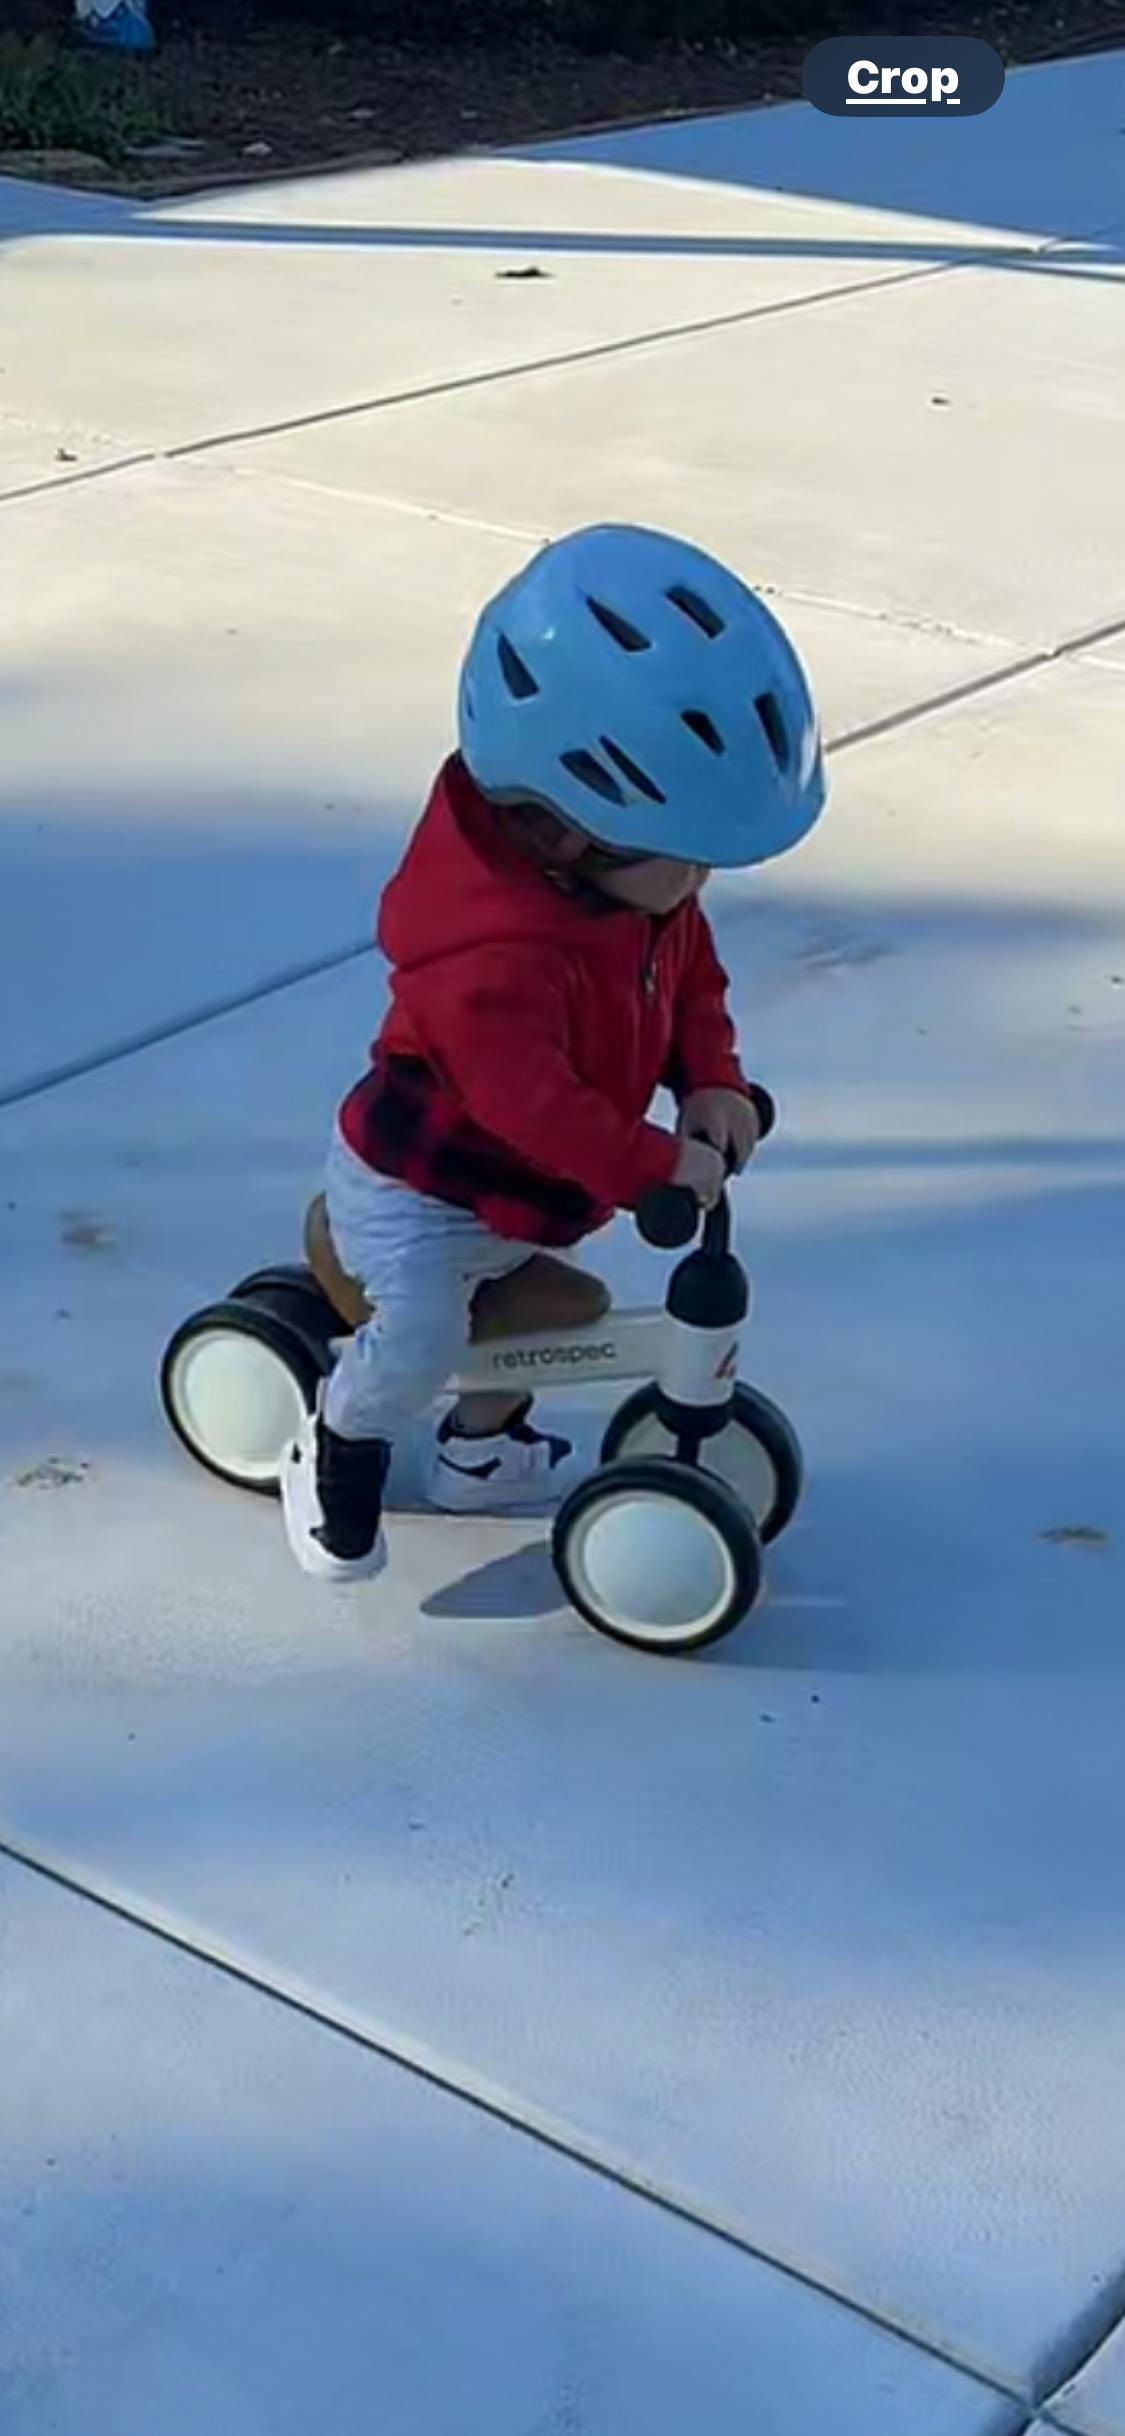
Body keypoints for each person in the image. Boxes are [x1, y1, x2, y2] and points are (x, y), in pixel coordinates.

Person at [282, 523, 825, 1581]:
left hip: (516, 1194)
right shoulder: (485, 959)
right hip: (417, 1190)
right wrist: (651, 1165)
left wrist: (711, 1082)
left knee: (542, 1321)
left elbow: (690, 978)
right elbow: (531, 1106)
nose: (698, 887)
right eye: (687, 859)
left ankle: (477, 1456)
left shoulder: (633, 891)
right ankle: (338, 1444)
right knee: (424, 1333)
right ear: (565, 828)